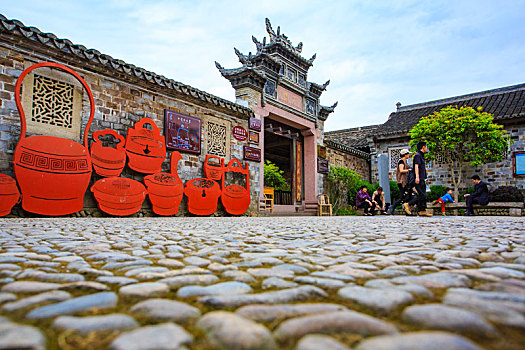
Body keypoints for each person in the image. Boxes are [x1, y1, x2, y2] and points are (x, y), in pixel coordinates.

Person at [405, 141, 432, 217]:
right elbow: (416, 166)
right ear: (423, 147)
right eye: (426, 146)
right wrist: (417, 177)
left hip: (422, 178)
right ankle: (408, 204)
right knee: (422, 195)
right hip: (418, 178)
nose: (427, 148)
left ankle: (422, 210)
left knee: (423, 195)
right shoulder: (417, 155)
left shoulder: (422, 156)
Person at [388, 149, 412, 215]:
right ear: (405, 155)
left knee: (407, 196)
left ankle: (406, 210)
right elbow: (401, 170)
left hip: (405, 181)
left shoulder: (405, 161)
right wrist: (408, 170)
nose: (409, 155)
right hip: (401, 181)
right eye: (408, 154)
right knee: (403, 197)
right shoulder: (401, 161)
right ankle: (393, 206)